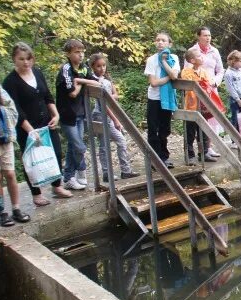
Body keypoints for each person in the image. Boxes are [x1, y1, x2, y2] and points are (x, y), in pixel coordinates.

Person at [3, 42, 73, 205]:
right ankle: (36, 194)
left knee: (55, 153)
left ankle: (57, 186)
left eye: (28, 58)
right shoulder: (10, 82)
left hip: (46, 122)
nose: (25, 62)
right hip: (26, 127)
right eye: (21, 59)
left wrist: (56, 114)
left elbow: (47, 96)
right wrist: (30, 131)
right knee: (32, 160)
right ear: (14, 59)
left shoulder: (37, 73)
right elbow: (15, 110)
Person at [88, 53, 138, 182]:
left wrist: (110, 97)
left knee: (119, 141)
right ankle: (108, 172)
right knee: (106, 144)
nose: (102, 68)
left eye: (103, 65)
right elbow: (103, 104)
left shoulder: (106, 79)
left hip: (110, 114)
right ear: (93, 67)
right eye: (98, 66)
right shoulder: (94, 81)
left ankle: (124, 170)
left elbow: (115, 94)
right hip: (101, 115)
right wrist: (115, 120)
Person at [56, 39, 97, 190]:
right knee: (79, 147)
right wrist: (81, 82)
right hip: (68, 115)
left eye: (82, 52)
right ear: (68, 54)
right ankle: (80, 170)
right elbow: (72, 93)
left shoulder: (84, 68)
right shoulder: (66, 69)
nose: (80, 55)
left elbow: (96, 82)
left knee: (74, 146)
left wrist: (79, 80)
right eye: (77, 52)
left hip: (80, 113)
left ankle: (69, 177)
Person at [0, 76, 29, 226]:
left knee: (11, 174)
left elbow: (12, 111)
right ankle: (3, 213)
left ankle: (16, 208)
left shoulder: (0, 92)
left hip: (5, 140)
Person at [180, 47, 225, 164]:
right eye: (199, 56)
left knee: (203, 130)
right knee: (190, 132)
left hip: (203, 106)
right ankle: (190, 155)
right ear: (192, 60)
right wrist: (200, 83)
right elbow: (190, 83)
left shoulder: (203, 71)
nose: (202, 58)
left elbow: (208, 83)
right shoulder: (186, 71)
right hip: (191, 106)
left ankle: (203, 152)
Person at [144, 31, 181, 168]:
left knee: (165, 129)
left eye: (163, 40)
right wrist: (169, 79)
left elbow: (174, 74)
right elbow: (153, 83)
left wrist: (164, 61)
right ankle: (155, 159)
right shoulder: (151, 60)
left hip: (168, 99)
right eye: (158, 40)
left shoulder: (174, 58)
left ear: (169, 44)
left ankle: (164, 157)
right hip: (154, 98)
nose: (160, 42)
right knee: (153, 129)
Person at [224, 50, 241, 133]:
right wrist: (238, 100)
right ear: (234, 62)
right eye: (240, 61)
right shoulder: (228, 73)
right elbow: (230, 89)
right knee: (236, 119)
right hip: (235, 100)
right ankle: (234, 141)